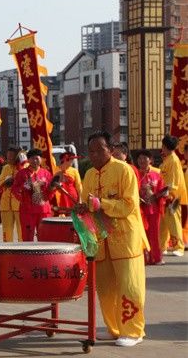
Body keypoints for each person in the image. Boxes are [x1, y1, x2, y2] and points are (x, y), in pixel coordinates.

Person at [78, 131, 148, 346]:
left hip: (125, 238)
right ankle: (114, 328)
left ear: (111, 149)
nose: (95, 155)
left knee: (130, 286)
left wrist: (102, 204)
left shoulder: (124, 170)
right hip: (101, 240)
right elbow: (87, 204)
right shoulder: (89, 175)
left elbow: (129, 205)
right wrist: (82, 209)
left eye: (100, 150)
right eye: (91, 151)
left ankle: (133, 332)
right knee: (106, 289)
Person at [135, 149, 168, 266]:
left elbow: (162, 191)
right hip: (140, 210)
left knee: (155, 234)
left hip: (154, 210)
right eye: (139, 158)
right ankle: (144, 258)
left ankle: (156, 258)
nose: (142, 160)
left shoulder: (156, 175)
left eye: (145, 158)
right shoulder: (135, 175)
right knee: (142, 234)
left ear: (151, 160)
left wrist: (159, 195)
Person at [12, 149, 53, 241]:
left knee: (44, 236)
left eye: (37, 158)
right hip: (28, 210)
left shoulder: (46, 173)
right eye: (32, 158)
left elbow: (51, 191)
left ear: (41, 159)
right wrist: (26, 186)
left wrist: (49, 185)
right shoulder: (22, 173)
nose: (35, 161)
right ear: (28, 160)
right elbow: (15, 190)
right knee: (27, 237)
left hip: (43, 210)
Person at [159, 135, 187, 256]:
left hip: (172, 196)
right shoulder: (168, 159)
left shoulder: (173, 160)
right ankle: (162, 246)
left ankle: (179, 247)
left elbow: (174, 181)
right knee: (163, 224)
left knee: (174, 223)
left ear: (165, 146)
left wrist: (168, 192)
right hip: (165, 194)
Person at [0, 147, 22, 242]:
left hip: (19, 205)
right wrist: (6, 181)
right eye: (8, 155)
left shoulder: (23, 167)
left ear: (17, 156)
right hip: (6, 204)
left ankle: (23, 248)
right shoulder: (5, 167)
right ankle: (7, 248)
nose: (9, 158)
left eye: (11, 156)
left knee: (21, 231)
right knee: (6, 231)